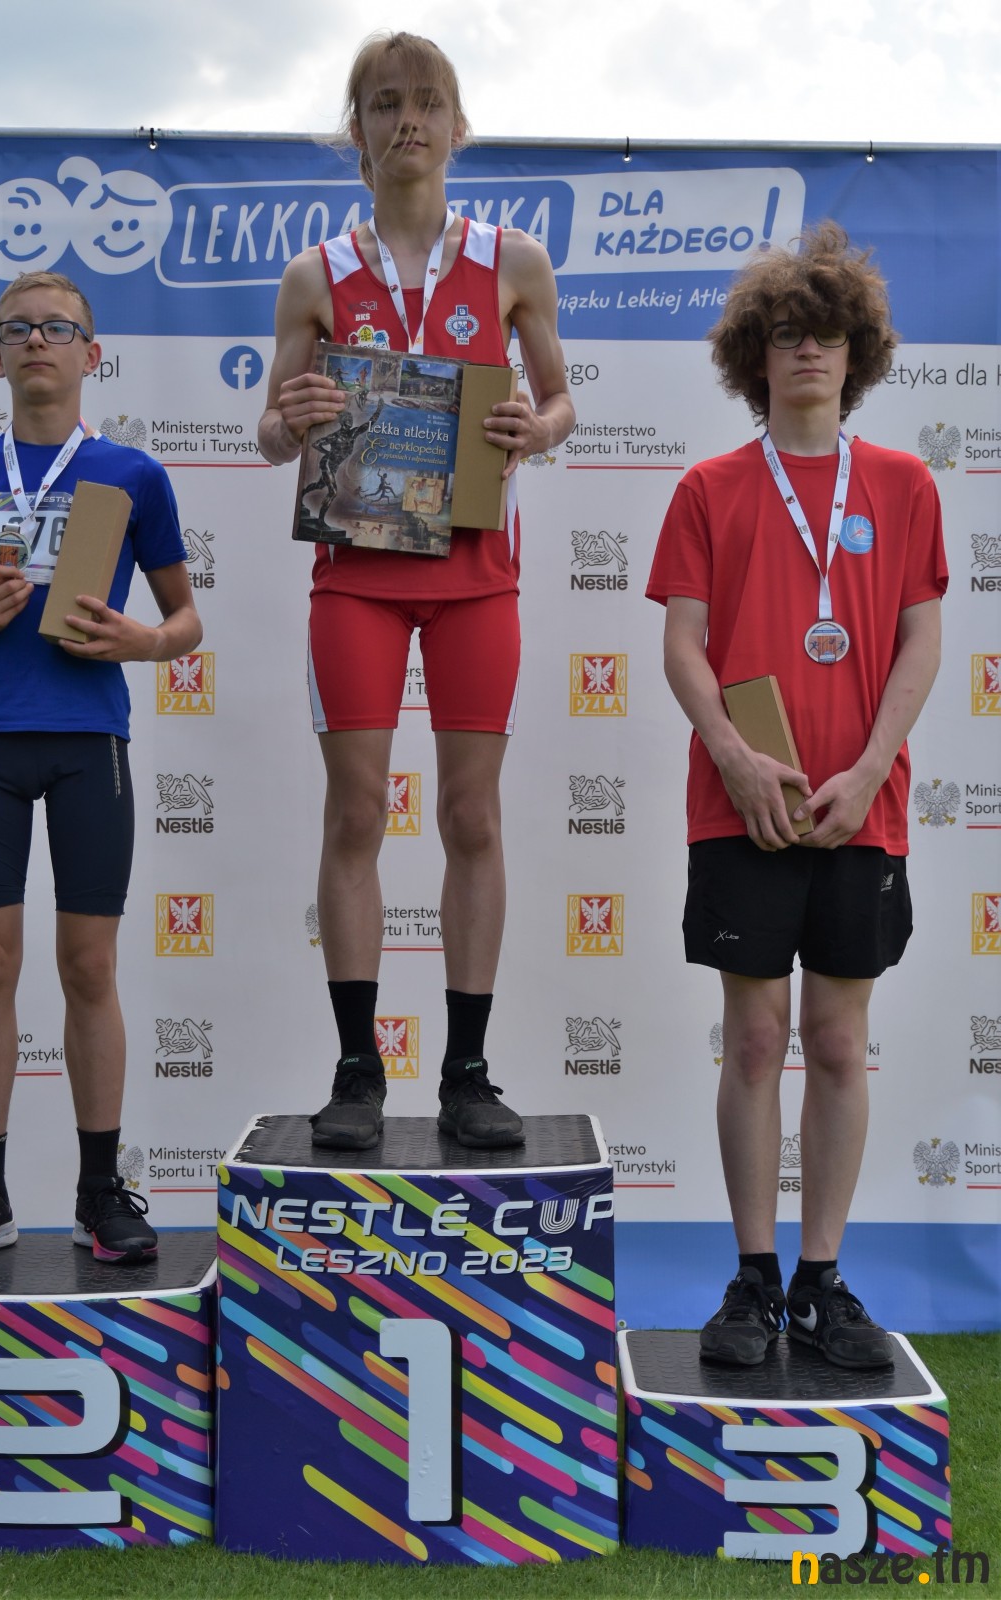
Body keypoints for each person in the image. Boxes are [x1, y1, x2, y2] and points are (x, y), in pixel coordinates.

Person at [258, 31, 574, 1150]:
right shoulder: (315, 275)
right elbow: (267, 432)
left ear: (457, 125)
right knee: (357, 812)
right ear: (357, 129)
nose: (409, 122)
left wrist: (536, 428)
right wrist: (290, 418)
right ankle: (357, 1070)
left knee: (470, 815)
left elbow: (560, 402)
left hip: (475, 574)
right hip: (357, 577)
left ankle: (468, 1071)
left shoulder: (513, 260)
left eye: (428, 102)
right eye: (386, 103)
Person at [646, 222, 947, 1367]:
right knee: (754, 1038)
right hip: (744, 805)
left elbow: (922, 640)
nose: (807, 349)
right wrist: (730, 751)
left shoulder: (904, 485)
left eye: (825, 333)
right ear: (754, 356)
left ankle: (822, 1281)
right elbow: (683, 643)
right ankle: (752, 1278)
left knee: (835, 1040)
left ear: (856, 352)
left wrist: (869, 768)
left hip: (861, 806)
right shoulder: (708, 488)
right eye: (785, 333)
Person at [0, 270, 202, 1265]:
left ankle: (100, 1191)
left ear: (90, 354)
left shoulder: (132, 474)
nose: (37, 341)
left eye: (57, 328)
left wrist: (142, 643)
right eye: (17, 328)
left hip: (88, 742)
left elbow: (185, 620)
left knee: (89, 966)